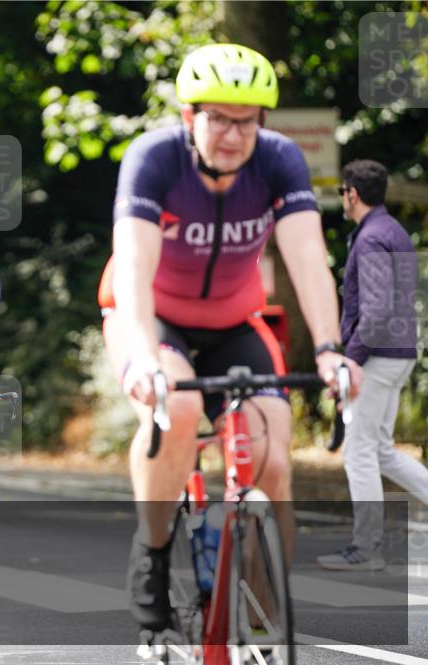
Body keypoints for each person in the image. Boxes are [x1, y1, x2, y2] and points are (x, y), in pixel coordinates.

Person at [96, 44, 362, 636]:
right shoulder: (154, 158)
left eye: (247, 121)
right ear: (189, 116)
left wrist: (328, 348)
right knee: (178, 408)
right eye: (219, 118)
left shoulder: (279, 159)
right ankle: (152, 550)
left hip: (235, 323)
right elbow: (134, 266)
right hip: (154, 318)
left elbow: (307, 259)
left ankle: (263, 623)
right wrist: (144, 358)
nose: (234, 135)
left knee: (273, 458)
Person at [317, 160, 427, 571]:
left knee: (359, 452)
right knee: (380, 451)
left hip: (377, 358)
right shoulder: (392, 230)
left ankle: (366, 550)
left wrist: (353, 359)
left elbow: (377, 310)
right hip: (397, 353)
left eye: (343, 191)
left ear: (353, 194)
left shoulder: (371, 237)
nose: (343, 198)